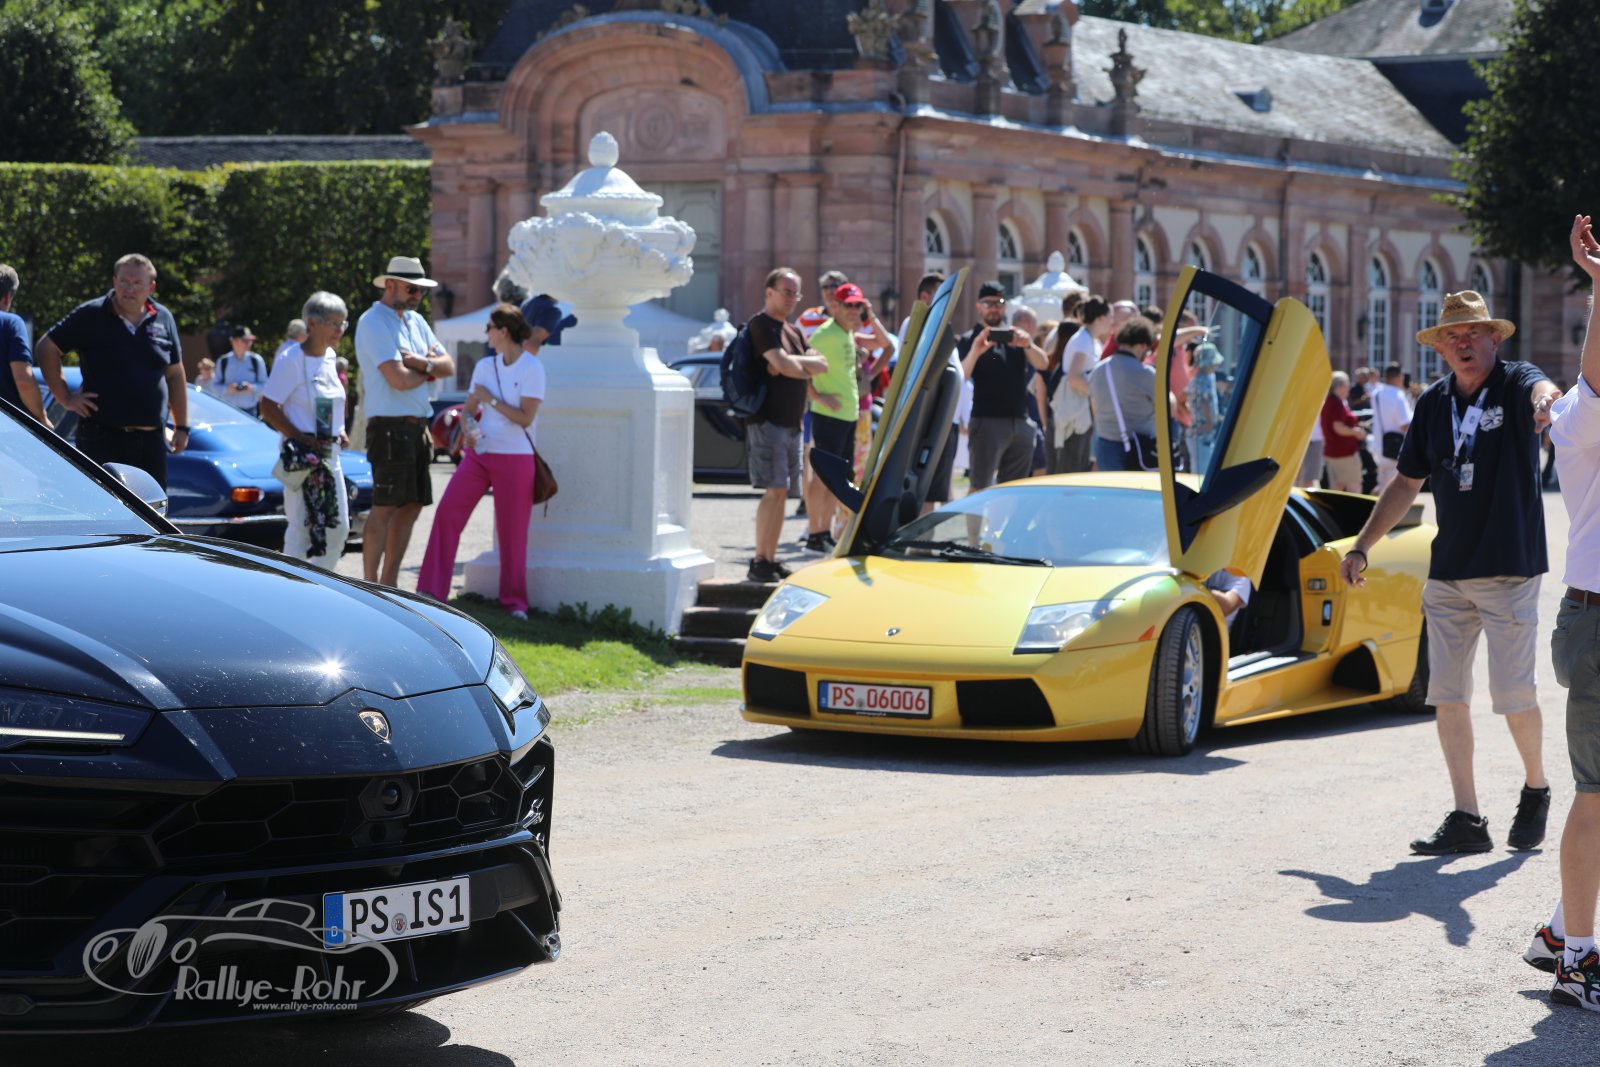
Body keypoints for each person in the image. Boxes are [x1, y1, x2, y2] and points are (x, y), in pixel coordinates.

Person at [1339, 289, 1557, 855]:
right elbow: (1405, 483)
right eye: (1452, 337)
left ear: (1494, 338)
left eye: (1473, 333)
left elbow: (1542, 387)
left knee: (1512, 695)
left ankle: (1536, 787)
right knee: (1448, 695)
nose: (1463, 344)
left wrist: (1546, 405)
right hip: (1450, 572)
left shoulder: (1514, 382)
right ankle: (1467, 817)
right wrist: (1361, 546)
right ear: (1439, 348)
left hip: (1509, 567)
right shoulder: (1434, 403)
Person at [1527, 213, 1600, 1009]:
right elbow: (1595, 370)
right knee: (1597, 791)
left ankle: (1558, 930)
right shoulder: (1582, 415)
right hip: (1597, 623)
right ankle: (1578, 958)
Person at [418, 303, 547, 618]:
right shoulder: (485, 366)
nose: (485, 333)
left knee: (513, 533)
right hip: (479, 455)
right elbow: (468, 409)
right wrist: (468, 428)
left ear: (503, 331)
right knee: (447, 513)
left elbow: (525, 418)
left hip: (516, 457)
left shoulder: (533, 368)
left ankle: (514, 603)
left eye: (489, 327)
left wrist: (490, 399)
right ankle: (431, 591)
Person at [36, 253, 188, 488]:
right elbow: (47, 348)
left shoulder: (163, 318)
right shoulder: (91, 314)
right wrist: (66, 398)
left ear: (151, 287)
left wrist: (182, 426)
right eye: (124, 282)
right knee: (103, 506)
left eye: (137, 283)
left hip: (151, 439)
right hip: (102, 436)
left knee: (153, 508)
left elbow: (175, 373)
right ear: (114, 281)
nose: (129, 289)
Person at [354, 254, 455, 587]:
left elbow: (448, 366)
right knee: (385, 507)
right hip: (389, 427)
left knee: (412, 504)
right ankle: (370, 585)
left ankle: (389, 584)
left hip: (417, 425)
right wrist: (430, 369)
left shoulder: (416, 321)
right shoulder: (373, 321)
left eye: (421, 290)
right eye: (412, 289)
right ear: (391, 285)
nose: (418, 295)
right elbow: (397, 379)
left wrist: (421, 365)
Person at [746, 267, 828, 581]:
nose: (792, 298)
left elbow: (821, 363)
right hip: (768, 421)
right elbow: (782, 363)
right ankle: (759, 560)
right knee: (774, 489)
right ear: (769, 292)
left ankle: (770, 559)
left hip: (792, 423)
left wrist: (794, 365)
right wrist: (791, 364)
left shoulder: (793, 331)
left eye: (796, 293)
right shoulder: (760, 325)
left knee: (782, 493)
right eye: (787, 292)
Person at [260, 292, 350, 568]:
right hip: (301, 458)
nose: (340, 330)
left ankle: (320, 584)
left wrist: (340, 430)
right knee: (300, 529)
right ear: (312, 323)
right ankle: (290, 587)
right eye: (334, 323)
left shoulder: (330, 357)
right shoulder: (291, 359)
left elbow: (328, 401)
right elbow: (268, 406)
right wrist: (298, 436)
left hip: (330, 456)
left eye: (343, 323)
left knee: (338, 527)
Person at [803, 281, 891, 552]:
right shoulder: (824, 335)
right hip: (828, 417)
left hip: (848, 415)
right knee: (822, 476)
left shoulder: (847, 333)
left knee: (836, 478)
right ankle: (814, 533)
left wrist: (870, 315)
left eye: (858, 305)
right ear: (837, 306)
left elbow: (886, 345)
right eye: (849, 305)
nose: (854, 311)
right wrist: (818, 397)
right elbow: (802, 369)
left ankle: (824, 532)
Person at [958, 282, 1050, 493]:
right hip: (987, 422)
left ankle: (1005, 518)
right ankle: (975, 519)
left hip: (1020, 422)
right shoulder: (970, 339)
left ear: (1005, 306)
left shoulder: (1015, 336)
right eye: (987, 303)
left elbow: (1043, 363)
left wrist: (1028, 345)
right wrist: (975, 351)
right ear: (978, 306)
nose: (993, 308)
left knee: (1013, 489)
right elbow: (962, 376)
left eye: (998, 303)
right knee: (979, 486)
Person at [1088, 317, 1160, 472]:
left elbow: (1094, 409)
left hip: (1105, 445)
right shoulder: (1145, 373)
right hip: (1138, 448)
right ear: (1142, 345)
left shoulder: (1098, 370)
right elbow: (1169, 407)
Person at [1050, 296, 1108, 474]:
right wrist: (1099, 396)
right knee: (1072, 469)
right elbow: (1074, 377)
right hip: (1076, 414)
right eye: (1110, 316)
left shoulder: (1090, 339)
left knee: (1079, 467)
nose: (1112, 321)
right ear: (1101, 318)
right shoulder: (1083, 339)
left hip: (1080, 413)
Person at [0, 264, 46, 423]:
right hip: (7, 428)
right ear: (8, 297)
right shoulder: (11, 323)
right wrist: (42, 418)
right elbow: (23, 381)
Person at [1320, 371, 1367, 492]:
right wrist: (1356, 432)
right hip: (1345, 453)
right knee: (1354, 489)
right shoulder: (1337, 403)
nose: (1349, 388)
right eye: (1347, 385)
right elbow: (1338, 427)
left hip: (1332, 452)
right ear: (1339, 386)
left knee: (1336, 489)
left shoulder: (1329, 401)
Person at [1370, 362, 1413, 493]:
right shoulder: (1398, 396)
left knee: (1382, 485)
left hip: (1379, 445)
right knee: (1394, 490)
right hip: (1395, 448)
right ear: (1399, 377)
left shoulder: (1376, 393)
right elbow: (1405, 424)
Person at [1185, 340, 1224, 473]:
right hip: (1201, 434)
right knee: (1201, 471)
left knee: (1200, 467)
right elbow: (1204, 401)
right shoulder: (1202, 379)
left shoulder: (1202, 378)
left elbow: (1183, 399)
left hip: (1198, 432)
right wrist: (1209, 422)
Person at [216, 324, 269, 416]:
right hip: (227, 410)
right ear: (234, 341)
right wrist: (227, 389)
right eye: (245, 340)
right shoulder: (223, 361)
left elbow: (265, 385)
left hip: (250, 411)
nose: (248, 343)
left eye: (250, 340)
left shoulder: (256, 360)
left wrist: (252, 388)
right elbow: (213, 386)